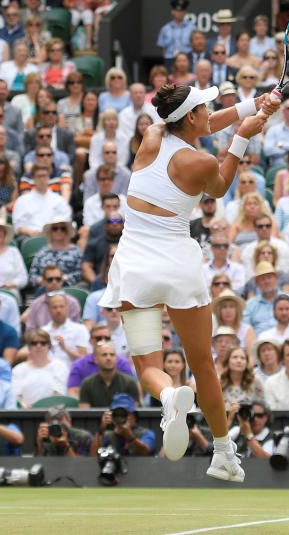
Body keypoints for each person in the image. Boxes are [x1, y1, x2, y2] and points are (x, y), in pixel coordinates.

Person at [99, 81, 279, 482]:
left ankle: (168, 397)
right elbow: (219, 184)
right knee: (203, 365)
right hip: (178, 268)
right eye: (204, 107)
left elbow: (207, 122)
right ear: (192, 116)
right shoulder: (198, 162)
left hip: (136, 270)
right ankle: (223, 454)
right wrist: (242, 137)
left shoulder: (151, 134)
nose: (208, 112)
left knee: (148, 365)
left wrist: (253, 104)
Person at [77, 341, 141, 408]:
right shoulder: (87, 384)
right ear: (95, 359)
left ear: (116, 359)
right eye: (104, 355)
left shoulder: (129, 383)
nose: (108, 358)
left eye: (112, 355)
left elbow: (134, 414)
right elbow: (84, 413)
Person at [93, 393, 156, 457]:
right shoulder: (107, 435)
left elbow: (145, 451)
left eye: (124, 414)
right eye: (118, 415)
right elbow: (94, 457)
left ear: (134, 415)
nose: (121, 418)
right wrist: (101, 430)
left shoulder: (146, 434)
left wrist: (129, 436)